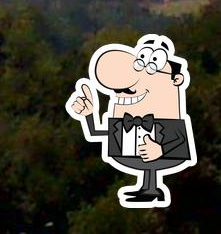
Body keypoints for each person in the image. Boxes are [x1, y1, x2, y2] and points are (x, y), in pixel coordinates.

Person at [66, 34, 196, 208]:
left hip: (163, 162)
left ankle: (151, 189)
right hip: (131, 156)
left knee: (152, 163)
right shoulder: (124, 120)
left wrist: (162, 149)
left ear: (176, 80)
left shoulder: (169, 121)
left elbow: (180, 141)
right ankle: (146, 188)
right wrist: (89, 114)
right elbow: (96, 133)